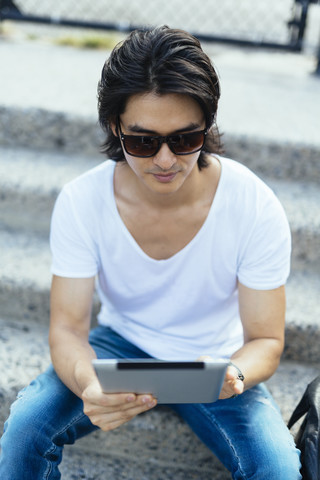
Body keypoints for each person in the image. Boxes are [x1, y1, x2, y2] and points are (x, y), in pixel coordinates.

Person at [0, 25, 301, 479]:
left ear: (207, 126)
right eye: (143, 141)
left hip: (214, 359)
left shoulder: (253, 205)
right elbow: (66, 329)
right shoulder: (83, 201)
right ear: (115, 128)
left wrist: (234, 374)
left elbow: (266, 340)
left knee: (277, 468)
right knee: (25, 433)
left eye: (184, 139)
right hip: (121, 346)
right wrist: (89, 384)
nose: (164, 160)